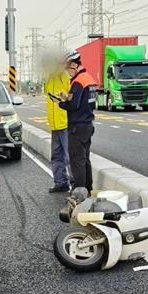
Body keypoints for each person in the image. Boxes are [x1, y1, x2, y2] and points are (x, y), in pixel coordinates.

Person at [57, 50, 96, 192]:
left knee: (76, 160)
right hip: (88, 124)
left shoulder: (78, 82)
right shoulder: (89, 79)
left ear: (74, 64)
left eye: (68, 68)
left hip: (77, 127)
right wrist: (67, 97)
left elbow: (73, 106)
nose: (68, 72)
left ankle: (79, 192)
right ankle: (88, 189)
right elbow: (86, 103)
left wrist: (61, 103)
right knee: (85, 159)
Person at [44, 56, 71, 193]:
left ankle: (75, 186)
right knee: (56, 156)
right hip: (54, 125)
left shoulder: (64, 76)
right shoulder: (48, 79)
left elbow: (71, 97)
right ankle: (61, 182)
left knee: (69, 156)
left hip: (65, 123)